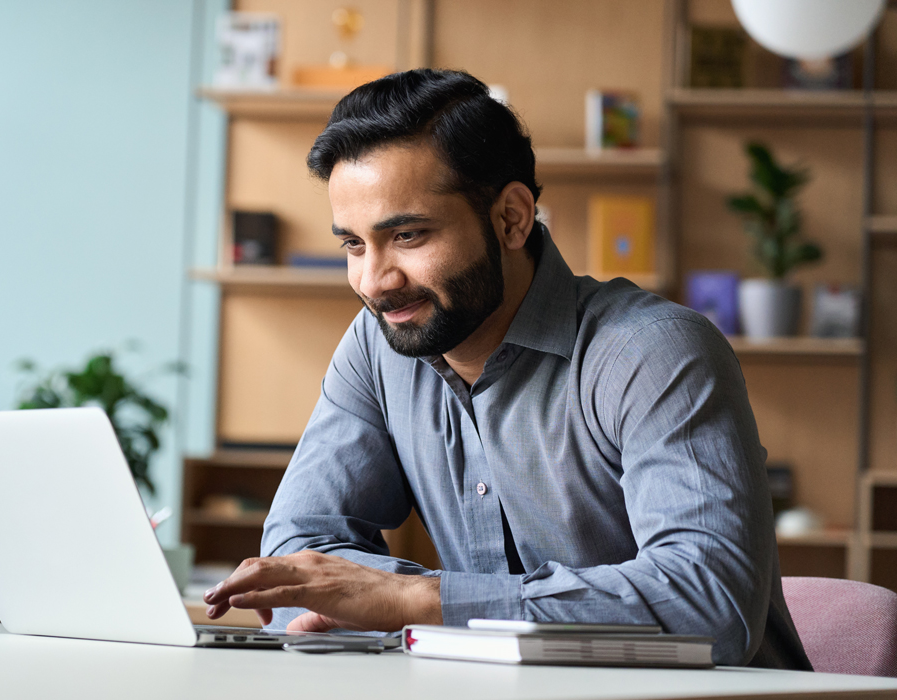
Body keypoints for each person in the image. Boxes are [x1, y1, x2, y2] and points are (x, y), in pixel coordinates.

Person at [203, 69, 811, 669]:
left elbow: (709, 606)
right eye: (354, 245)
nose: (374, 282)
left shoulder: (654, 352)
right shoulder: (377, 345)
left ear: (512, 218)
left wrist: (417, 600)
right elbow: (297, 550)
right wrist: (385, 602)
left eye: (409, 235)